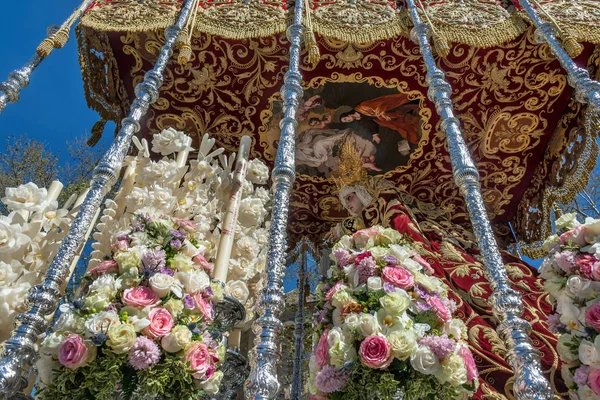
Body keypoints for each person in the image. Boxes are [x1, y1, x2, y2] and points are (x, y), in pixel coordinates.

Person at [325, 142, 566, 399]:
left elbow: (400, 222)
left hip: (424, 254)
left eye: (350, 197)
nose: (348, 205)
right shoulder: (362, 219)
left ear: (362, 191)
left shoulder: (384, 198)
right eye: (344, 202)